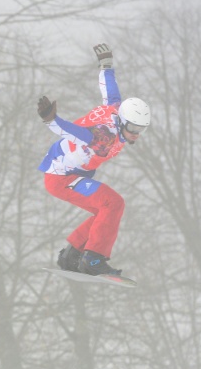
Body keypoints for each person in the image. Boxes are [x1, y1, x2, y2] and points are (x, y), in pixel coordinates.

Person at [36, 43, 151, 276]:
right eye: (133, 128)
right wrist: (52, 120)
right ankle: (93, 259)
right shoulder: (105, 137)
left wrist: (106, 65)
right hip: (61, 178)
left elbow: (110, 89)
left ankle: (72, 255)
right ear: (122, 122)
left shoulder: (116, 109)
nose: (135, 134)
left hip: (70, 174)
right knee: (112, 203)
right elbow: (76, 132)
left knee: (106, 211)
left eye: (141, 129)